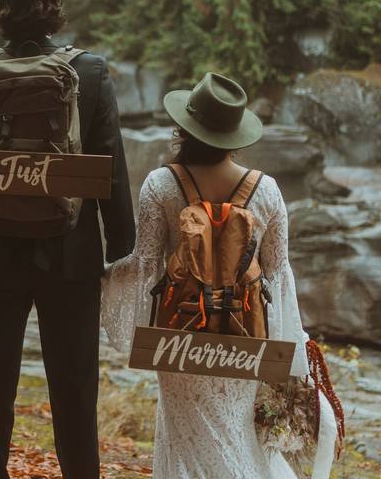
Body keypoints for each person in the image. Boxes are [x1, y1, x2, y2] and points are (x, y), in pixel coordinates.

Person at [0, 0, 136, 479]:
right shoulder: (90, 72)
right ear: (55, 11)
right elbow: (112, 169)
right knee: (74, 391)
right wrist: (120, 247)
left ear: (3, 11)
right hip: (70, 255)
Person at [101, 72, 336, 478]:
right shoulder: (267, 191)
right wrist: (290, 348)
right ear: (236, 135)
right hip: (245, 338)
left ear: (184, 127)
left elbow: (144, 266)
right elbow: (279, 276)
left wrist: (98, 276)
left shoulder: (161, 184)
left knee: (189, 440)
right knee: (235, 433)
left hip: (180, 337)